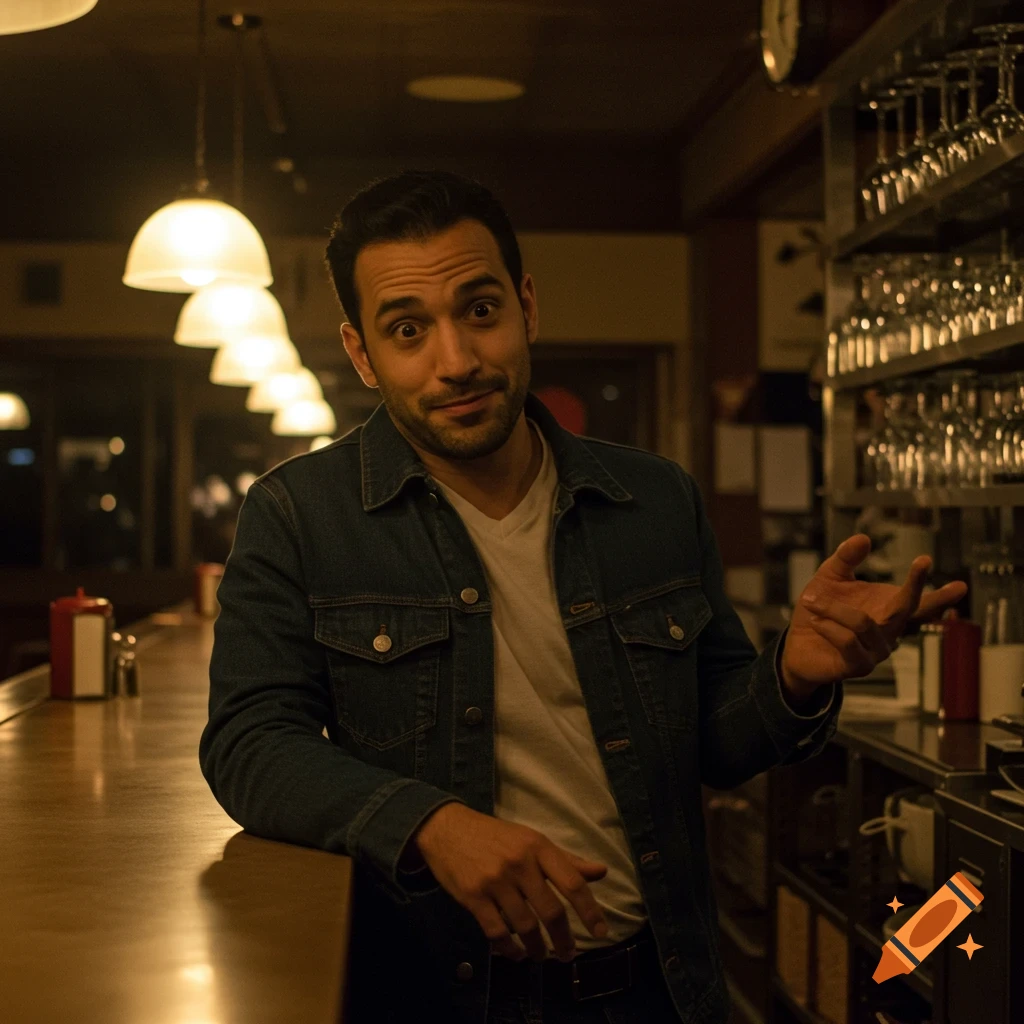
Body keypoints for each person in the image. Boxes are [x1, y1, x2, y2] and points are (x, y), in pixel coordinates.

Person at [199, 170, 967, 1024]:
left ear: (526, 306)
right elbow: (246, 743)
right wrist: (429, 824)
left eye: (480, 310)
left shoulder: (654, 500)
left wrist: (793, 674)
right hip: (442, 995)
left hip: (655, 986)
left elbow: (713, 742)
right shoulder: (299, 514)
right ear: (360, 355)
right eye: (408, 330)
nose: (456, 361)